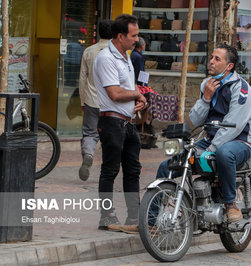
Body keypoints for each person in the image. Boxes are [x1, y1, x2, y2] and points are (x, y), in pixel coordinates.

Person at [156, 43, 251, 222]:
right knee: (167, 166)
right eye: (211, 57)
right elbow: (195, 120)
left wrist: (212, 148)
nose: (210, 62)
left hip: (239, 142)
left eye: (217, 59)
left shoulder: (241, 89)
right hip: (210, 140)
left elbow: (234, 124)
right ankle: (151, 220)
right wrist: (206, 98)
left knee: (224, 154)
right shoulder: (207, 85)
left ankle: (230, 203)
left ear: (229, 66)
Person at [93, 14, 147, 232]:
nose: (137, 39)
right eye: (133, 35)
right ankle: (107, 216)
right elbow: (114, 93)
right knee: (110, 170)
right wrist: (137, 94)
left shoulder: (127, 57)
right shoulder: (106, 58)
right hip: (112, 122)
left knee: (133, 171)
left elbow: (128, 88)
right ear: (120, 36)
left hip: (128, 123)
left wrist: (139, 99)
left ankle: (134, 216)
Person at [78, 19, 113, 181]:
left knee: (90, 133)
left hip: (91, 100)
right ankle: (108, 169)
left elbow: (82, 79)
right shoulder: (116, 53)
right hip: (111, 102)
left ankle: (89, 154)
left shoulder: (89, 51)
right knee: (110, 136)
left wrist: (82, 100)